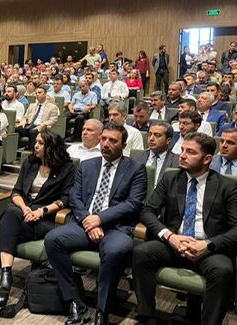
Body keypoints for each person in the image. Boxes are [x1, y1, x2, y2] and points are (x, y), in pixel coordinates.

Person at [44, 123, 147, 325]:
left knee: (115, 251)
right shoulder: (87, 165)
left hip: (116, 228)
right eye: (104, 139)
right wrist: (88, 221)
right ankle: (75, 302)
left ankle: (102, 310)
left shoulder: (136, 169)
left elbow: (133, 203)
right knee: (52, 240)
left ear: (123, 144)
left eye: (113, 140)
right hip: (85, 224)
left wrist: (100, 219)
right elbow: (75, 198)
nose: (106, 144)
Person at [133, 133, 237, 325]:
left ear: (207, 159)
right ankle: (147, 317)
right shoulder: (171, 177)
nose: (182, 155)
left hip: (208, 249)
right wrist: (170, 236)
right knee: (141, 252)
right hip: (174, 243)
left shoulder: (227, 187)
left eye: (190, 152)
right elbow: (147, 211)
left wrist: (207, 244)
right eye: (182, 150)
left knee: (223, 270)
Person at [0, 131, 75, 308]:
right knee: (12, 212)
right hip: (25, 211)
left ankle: (3, 281)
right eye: (35, 142)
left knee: (7, 228)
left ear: (51, 147)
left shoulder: (66, 167)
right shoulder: (30, 163)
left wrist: (42, 211)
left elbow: (66, 199)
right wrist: (25, 208)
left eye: (40, 143)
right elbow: (16, 192)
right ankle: (6, 274)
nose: (35, 146)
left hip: (46, 218)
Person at [129, 122, 179, 188]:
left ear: (168, 140)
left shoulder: (177, 161)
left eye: (157, 135)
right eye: (150, 134)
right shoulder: (135, 156)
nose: (151, 139)